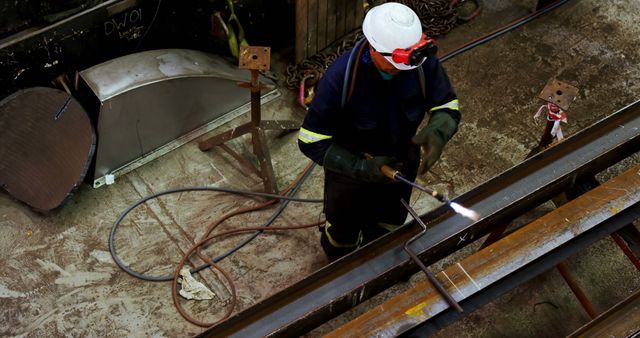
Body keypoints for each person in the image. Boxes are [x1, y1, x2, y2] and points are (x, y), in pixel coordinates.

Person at [297, 2, 461, 261]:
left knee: (390, 224)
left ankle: (379, 261)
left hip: (401, 161)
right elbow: (310, 140)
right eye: (395, 64)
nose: (400, 71)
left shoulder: (421, 62)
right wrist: (359, 167)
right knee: (343, 234)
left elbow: (446, 104)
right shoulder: (340, 78)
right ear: (374, 48)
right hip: (350, 172)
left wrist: (438, 131)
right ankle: (342, 270)